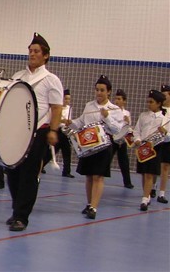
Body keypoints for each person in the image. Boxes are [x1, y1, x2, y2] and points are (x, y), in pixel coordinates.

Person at [5, 33, 64, 231]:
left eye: (36, 51)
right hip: (16, 132)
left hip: (38, 132)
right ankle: (16, 210)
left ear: (46, 55)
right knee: (12, 172)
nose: (32, 54)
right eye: (30, 50)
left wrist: (54, 130)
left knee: (29, 175)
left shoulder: (51, 80)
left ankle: (22, 216)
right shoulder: (18, 76)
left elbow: (56, 108)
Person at [66, 75, 125, 219]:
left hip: (104, 146)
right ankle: (89, 203)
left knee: (98, 176)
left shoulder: (115, 109)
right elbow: (81, 122)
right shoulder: (89, 105)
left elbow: (117, 130)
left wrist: (107, 117)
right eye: (97, 90)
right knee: (89, 176)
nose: (99, 93)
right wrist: (69, 122)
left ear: (108, 92)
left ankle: (94, 207)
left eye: (102, 90)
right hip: (88, 145)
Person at [133, 90, 169, 211]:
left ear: (159, 103)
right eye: (148, 101)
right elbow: (137, 130)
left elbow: (168, 137)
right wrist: (137, 139)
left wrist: (165, 132)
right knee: (144, 173)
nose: (149, 104)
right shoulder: (143, 115)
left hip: (155, 148)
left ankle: (144, 200)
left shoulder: (164, 119)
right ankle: (146, 195)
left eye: (151, 102)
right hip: (142, 148)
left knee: (149, 174)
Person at [113, 89, 135, 189]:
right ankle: (99, 178)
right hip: (113, 139)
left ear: (124, 101)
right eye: (116, 98)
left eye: (119, 99)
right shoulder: (112, 111)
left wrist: (128, 123)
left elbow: (128, 128)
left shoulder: (127, 113)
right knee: (106, 160)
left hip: (122, 141)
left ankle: (127, 182)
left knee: (124, 162)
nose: (116, 101)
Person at [156, 84, 170, 203]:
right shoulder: (158, 110)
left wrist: (167, 134)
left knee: (165, 167)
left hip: (168, 141)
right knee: (153, 166)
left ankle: (162, 193)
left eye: (165, 95)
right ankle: (151, 188)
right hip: (156, 141)